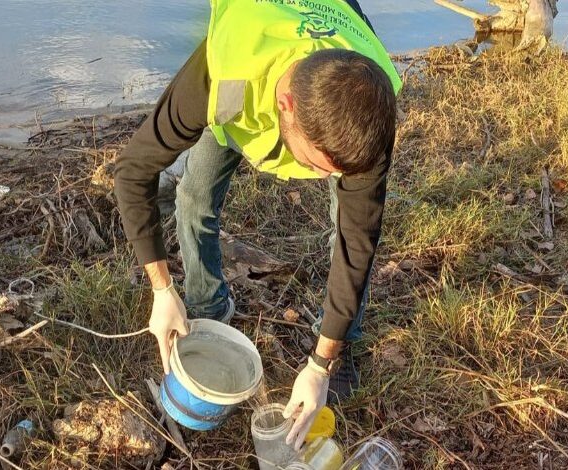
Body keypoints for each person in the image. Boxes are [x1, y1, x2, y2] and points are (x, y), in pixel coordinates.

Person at [114, 0, 401, 450]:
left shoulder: (371, 103)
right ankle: (206, 306)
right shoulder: (223, 71)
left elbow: (356, 241)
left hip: (331, 66)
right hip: (242, 88)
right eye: (319, 165)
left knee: (343, 221)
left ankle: (343, 342)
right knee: (192, 195)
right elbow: (133, 171)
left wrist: (320, 364)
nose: (330, 179)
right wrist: (161, 290)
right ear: (285, 105)